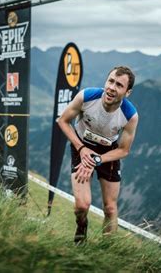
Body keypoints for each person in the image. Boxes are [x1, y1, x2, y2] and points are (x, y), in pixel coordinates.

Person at [57, 66, 139, 244]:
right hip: (81, 146)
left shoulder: (130, 115)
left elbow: (124, 150)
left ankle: (107, 249)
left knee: (110, 208)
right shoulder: (87, 97)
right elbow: (62, 121)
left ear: (127, 92)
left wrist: (98, 159)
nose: (111, 87)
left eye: (119, 85)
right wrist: (81, 148)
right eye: (110, 81)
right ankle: (81, 225)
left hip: (108, 152)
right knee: (82, 205)